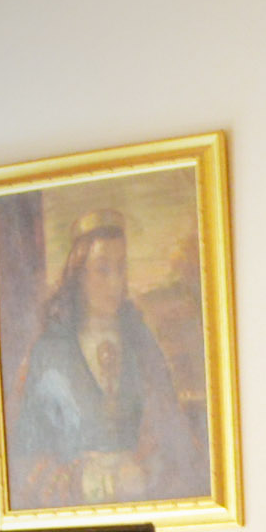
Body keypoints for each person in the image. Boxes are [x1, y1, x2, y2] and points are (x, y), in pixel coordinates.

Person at [10, 208, 208, 507]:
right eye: (103, 269)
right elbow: (25, 464)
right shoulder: (49, 354)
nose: (115, 283)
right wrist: (93, 482)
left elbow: (175, 438)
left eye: (121, 268)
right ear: (78, 274)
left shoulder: (142, 346)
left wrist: (145, 473)